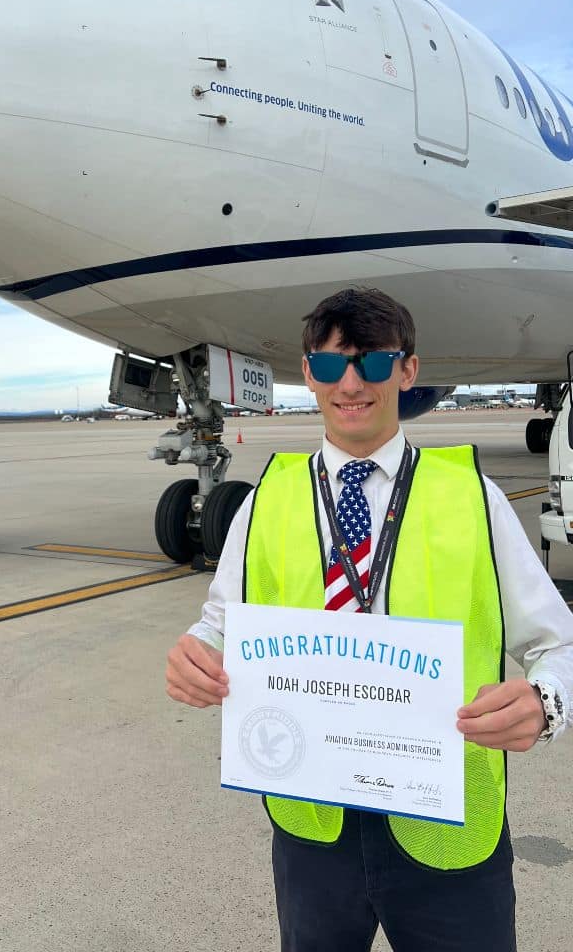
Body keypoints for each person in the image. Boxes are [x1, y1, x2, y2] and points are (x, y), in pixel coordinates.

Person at [166, 287, 573, 952]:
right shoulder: (267, 499)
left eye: (372, 364)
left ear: (408, 371)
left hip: (448, 821)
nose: (350, 383)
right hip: (312, 824)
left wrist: (545, 702)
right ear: (308, 376)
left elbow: (559, 643)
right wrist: (195, 650)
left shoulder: (474, 496)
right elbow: (218, 622)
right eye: (329, 366)